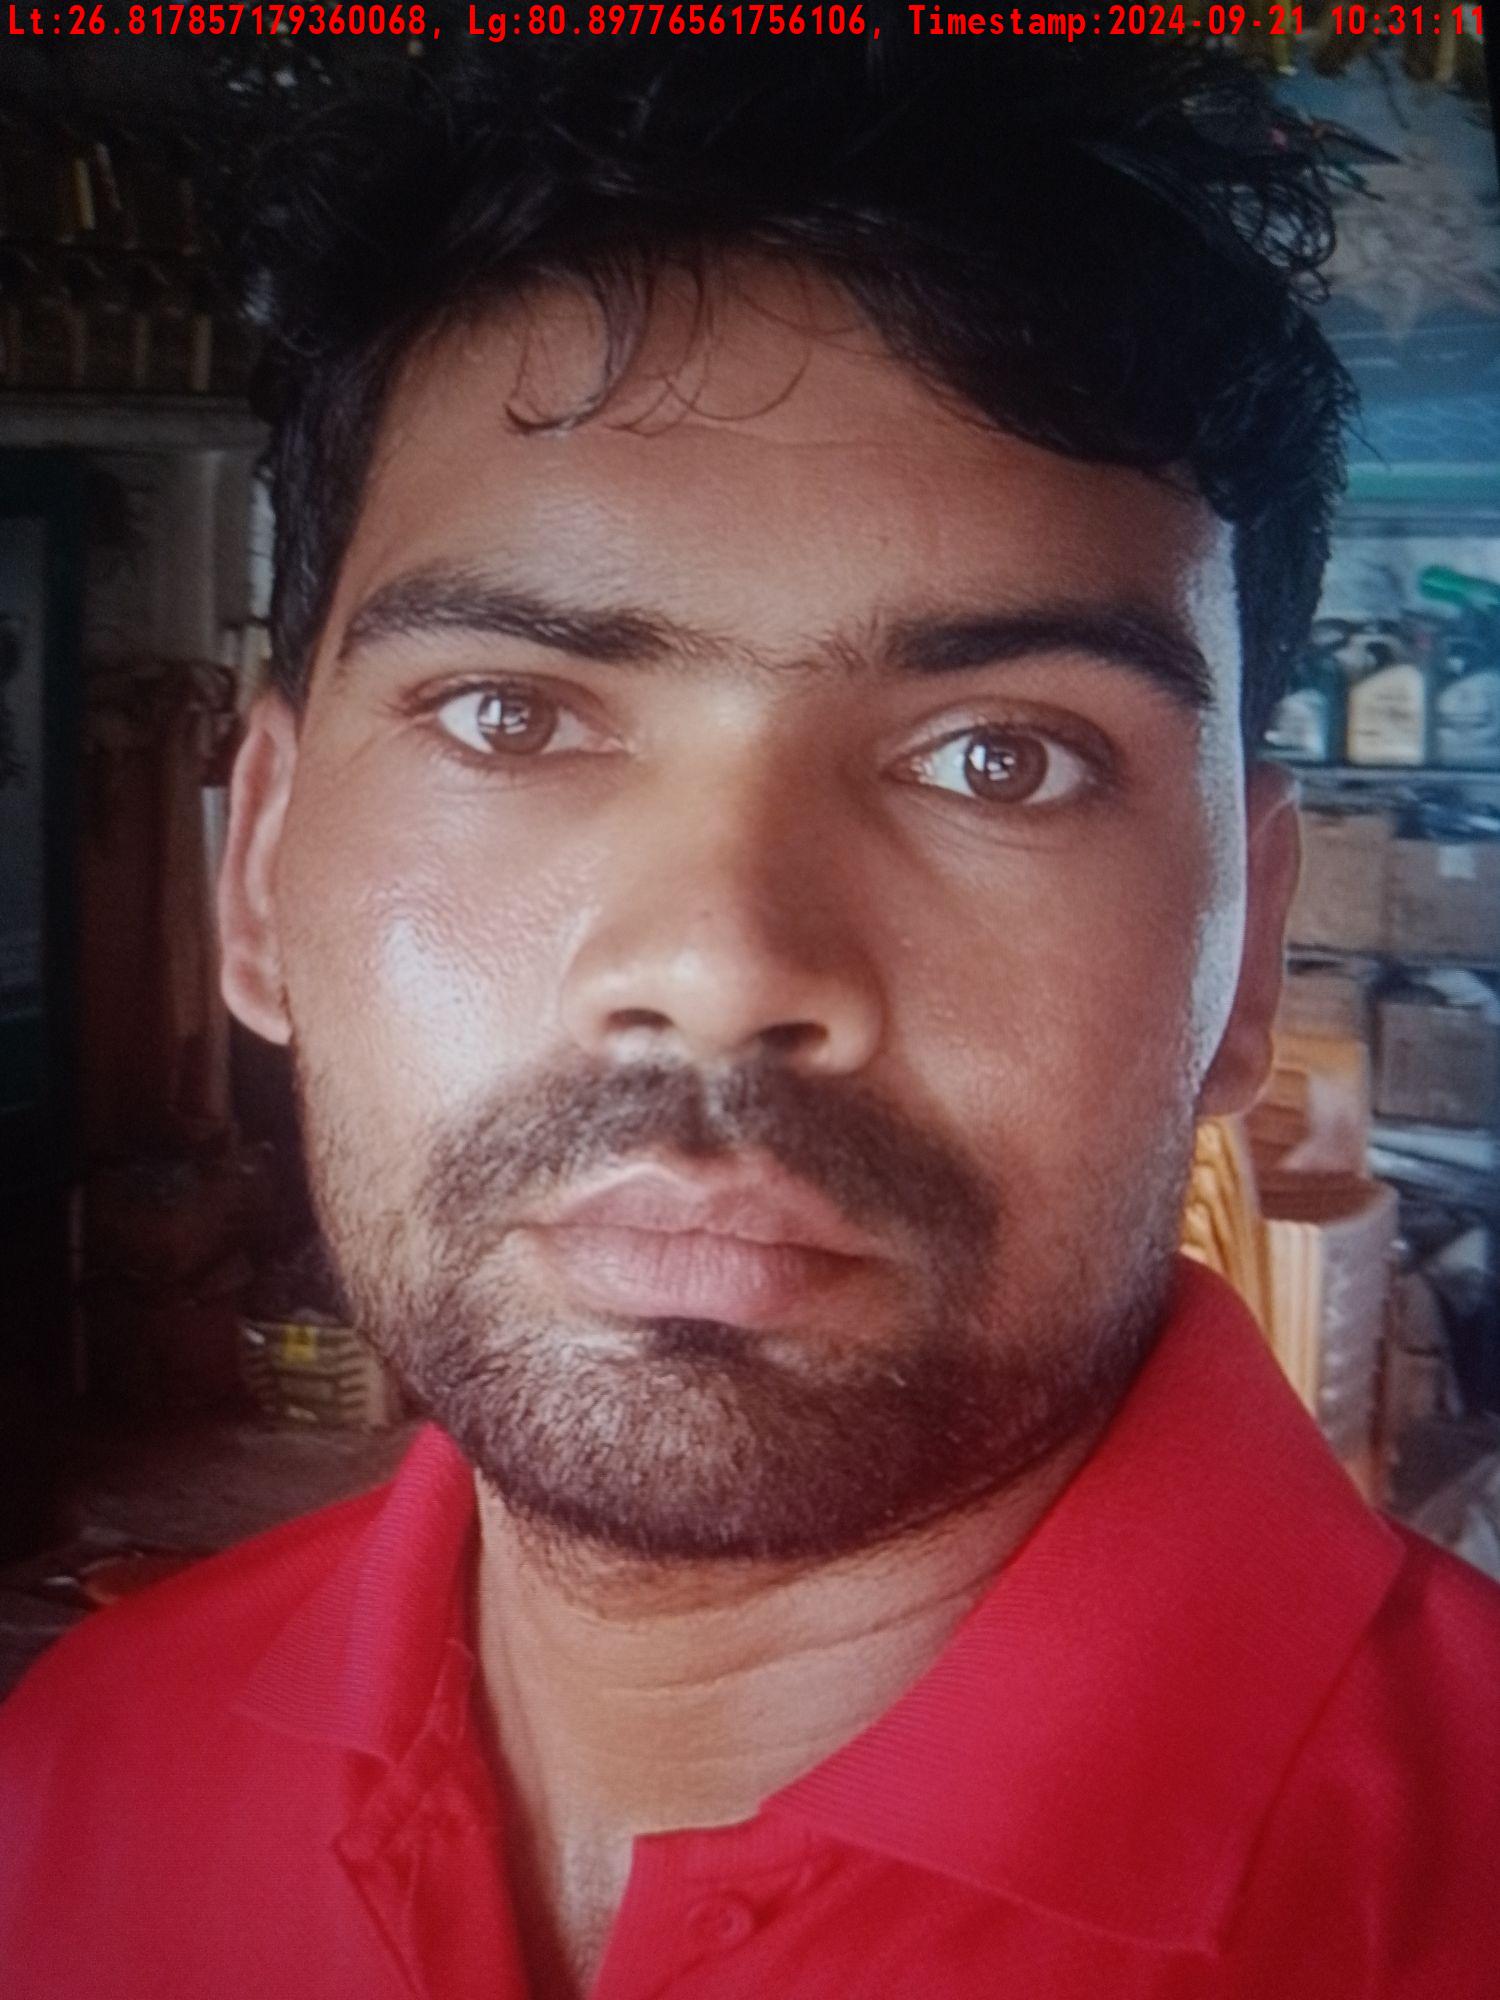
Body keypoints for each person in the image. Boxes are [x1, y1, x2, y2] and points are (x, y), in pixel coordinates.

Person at [3, 31, 1498, 2000]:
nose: (722, 960)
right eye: (510, 715)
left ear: (1242, 952)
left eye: (1002, 758)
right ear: (260, 868)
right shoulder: (75, 1784)